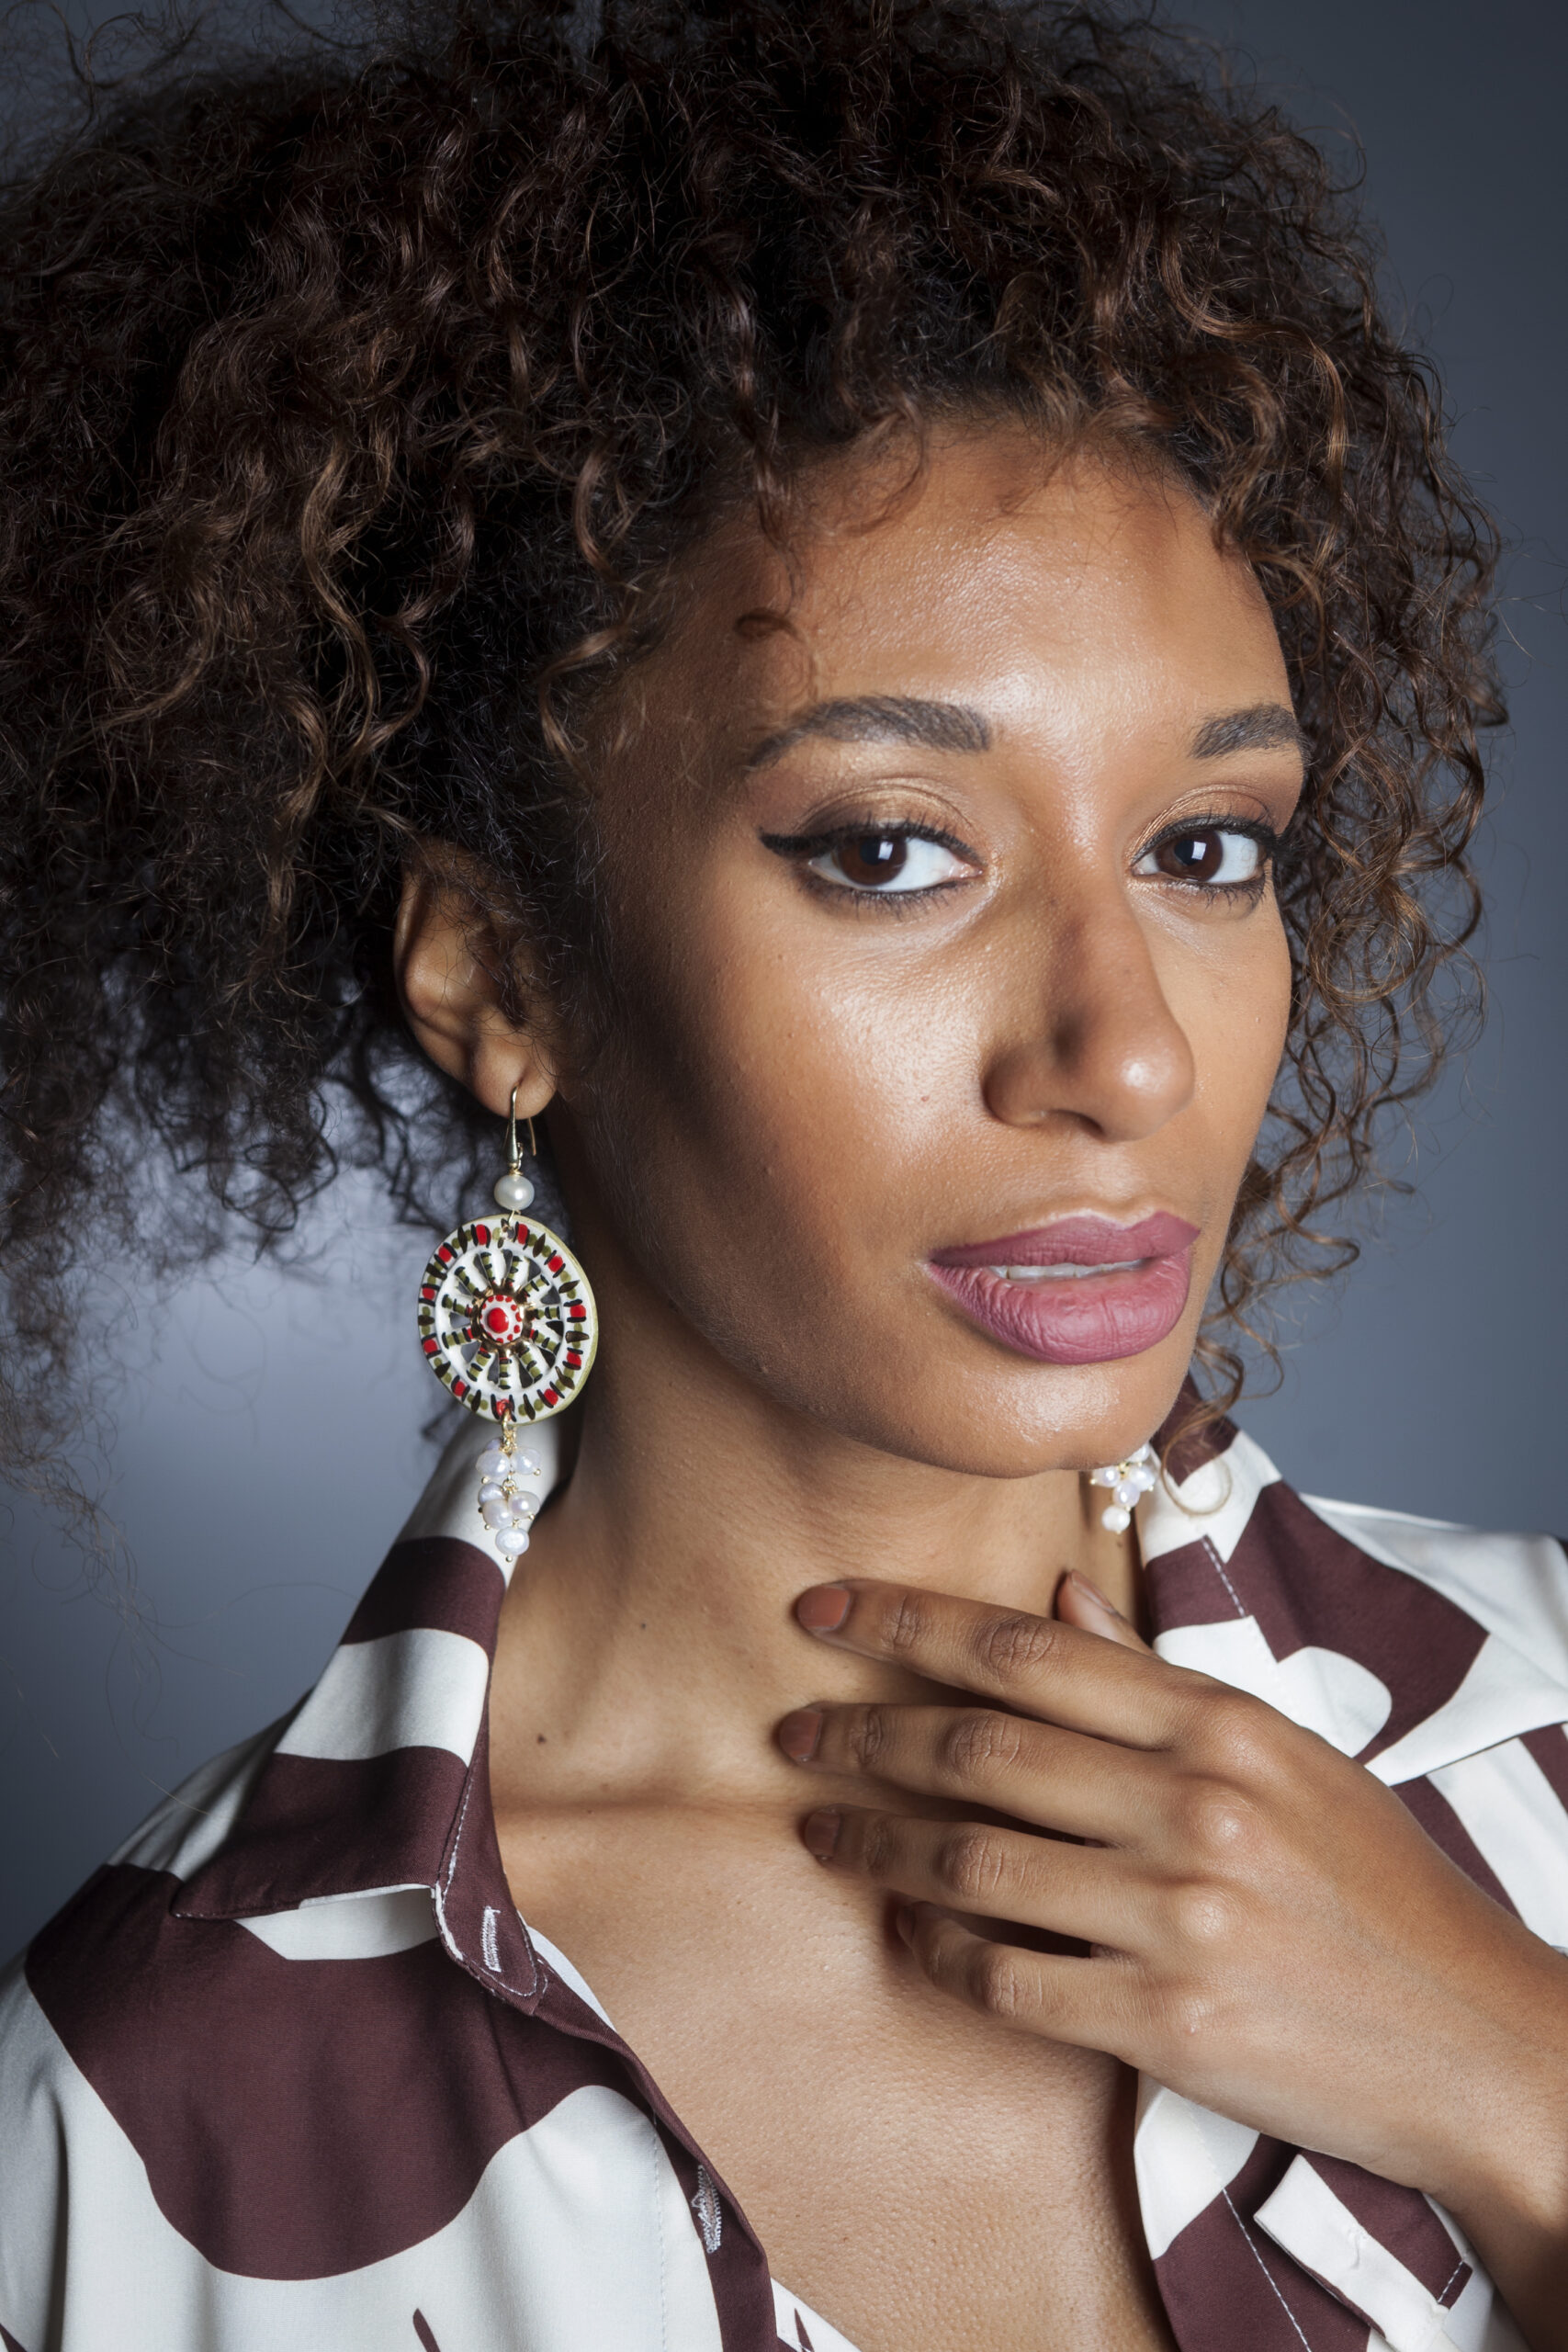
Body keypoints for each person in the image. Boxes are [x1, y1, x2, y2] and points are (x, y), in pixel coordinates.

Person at [1, 3, 1564, 2346]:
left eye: (1205, 846)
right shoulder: (131, 2141)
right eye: (888, 848)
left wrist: (1522, 2081)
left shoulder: (1538, 1739)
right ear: (502, 972)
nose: (1124, 1048)